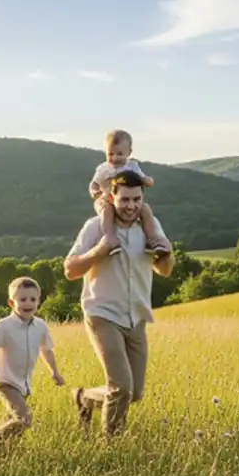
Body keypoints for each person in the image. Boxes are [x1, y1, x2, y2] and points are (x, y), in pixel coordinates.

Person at [65, 170, 174, 439]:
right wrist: (100, 249)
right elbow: (70, 270)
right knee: (121, 387)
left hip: (136, 316)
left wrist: (167, 251)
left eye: (136, 199)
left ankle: (84, 398)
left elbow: (165, 270)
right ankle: (112, 446)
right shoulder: (95, 227)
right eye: (125, 199)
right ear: (112, 198)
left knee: (133, 393)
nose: (131, 206)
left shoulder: (150, 226)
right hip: (102, 313)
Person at [0, 276, 65, 449]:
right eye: (22, 299)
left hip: (24, 384)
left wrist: (54, 371)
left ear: (39, 301)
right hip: (6, 382)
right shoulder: (4, 326)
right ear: (11, 303)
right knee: (25, 419)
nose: (28, 303)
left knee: (12, 423)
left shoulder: (40, 326)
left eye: (33, 299)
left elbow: (46, 350)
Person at [89, 129, 164, 256]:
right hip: (106, 200)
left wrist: (147, 180)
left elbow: (145, 180)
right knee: (106, 211)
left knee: (145, 209)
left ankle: (152, 240)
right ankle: (110, 239)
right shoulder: (103, 169)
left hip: (127, 201)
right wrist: (95, 191)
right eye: (110, 154)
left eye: (119, 154)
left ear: (129, 152)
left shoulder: (132, 167)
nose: (114, 158)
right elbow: (94, 183)